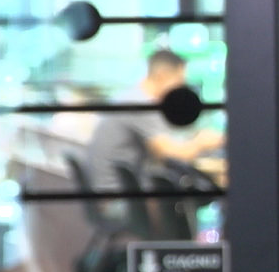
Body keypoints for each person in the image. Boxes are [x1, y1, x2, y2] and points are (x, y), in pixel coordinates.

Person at [84, 49, 222, 193]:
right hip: (116, 196)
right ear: (162, 76)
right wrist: (201, 142)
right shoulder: (141, 104)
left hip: (107, 190)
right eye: (179, 81)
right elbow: (172, 155)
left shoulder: (131, 97)